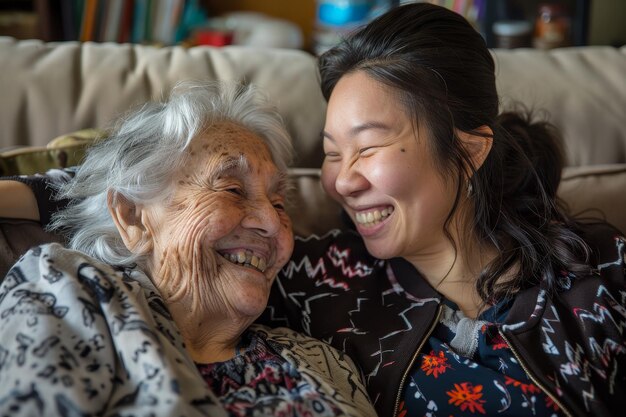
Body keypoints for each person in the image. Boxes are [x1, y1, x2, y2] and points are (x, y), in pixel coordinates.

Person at [1, 4, 625, 417]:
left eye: (369, 146)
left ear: (468, 148)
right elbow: (151, 194)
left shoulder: (598, 278)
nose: (341, 182)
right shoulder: (317, 279)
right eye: (329, 155)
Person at [0, 81, 376, 417]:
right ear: (132, 216)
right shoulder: (67, 289)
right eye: (231, 189)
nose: (272, 222)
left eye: (279, 203)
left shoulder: (322, 361)